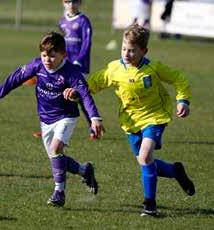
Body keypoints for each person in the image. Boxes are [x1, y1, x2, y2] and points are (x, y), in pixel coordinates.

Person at [84, 24, 195, 216]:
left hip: (155, 117)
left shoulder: (153, 68)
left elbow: (179, 78)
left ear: (144, 51)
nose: (127, 54)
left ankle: (150, 205)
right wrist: (76, 92)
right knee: (146, 161)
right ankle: (175, 171)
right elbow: (94, 83)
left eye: (132, 50)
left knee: (145, 157)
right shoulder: (114, 69)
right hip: (130, 122)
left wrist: (182, 100)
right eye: (124, 49)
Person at [0, 31, 105, 207]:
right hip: (45, 118)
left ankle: (59, 192)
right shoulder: (37, 66)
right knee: (56, 157)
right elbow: (15, 78)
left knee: (56, 148)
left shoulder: (71, 72)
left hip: (66, 117)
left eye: (52, 56)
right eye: (43, 55)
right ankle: (84, 170)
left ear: (63, 55)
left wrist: (94, 117)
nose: (47, 60)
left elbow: (85, 94)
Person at [59, 0, 95, 140]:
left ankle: (94, 127)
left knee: (81, 96)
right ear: (63, 3)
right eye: (68, 1)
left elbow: (87, 43)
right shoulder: (62, 21)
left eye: (74, 1)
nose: (71, 4)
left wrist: (79, 59)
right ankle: (51, 127)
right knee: (57, 94)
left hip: (78, 65)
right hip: (64, 64)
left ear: (80, 3)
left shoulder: (83, 21)